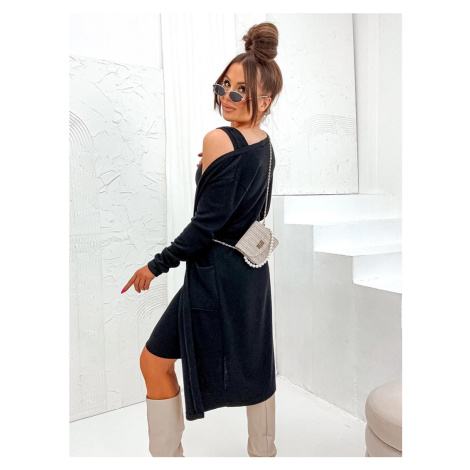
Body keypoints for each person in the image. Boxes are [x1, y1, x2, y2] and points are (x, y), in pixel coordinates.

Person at [121, 21, 283, 457]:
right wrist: (211, 169)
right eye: (224, 85)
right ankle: (264, 453)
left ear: (265, 100)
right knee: (256, 361)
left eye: (240, 91)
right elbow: (253, 207)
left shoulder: (219, 138)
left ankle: (168, 458)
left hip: (215, 275)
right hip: (250, 273)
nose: (226, 97)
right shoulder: (264, 143)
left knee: (153, 361)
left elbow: (204, 228)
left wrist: (155, 266)